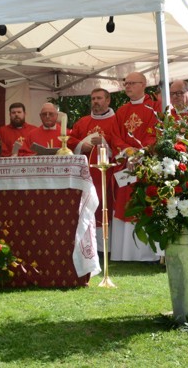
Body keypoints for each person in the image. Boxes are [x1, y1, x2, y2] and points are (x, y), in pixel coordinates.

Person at [111, 72, 162, 262]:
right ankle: (124, 253)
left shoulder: (154, 107)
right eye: (126, 83)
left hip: (146, 164)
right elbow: (115, 136)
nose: (128, 86)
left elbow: (156, 134)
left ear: (144, 84)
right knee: (125, 204)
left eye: (132, 83)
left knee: (144, 203)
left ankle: (146, 254)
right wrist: (128, 152)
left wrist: (140, 152)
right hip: (127, 164)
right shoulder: (121, 110)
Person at [67, 88, 120, 252]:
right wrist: (81, 144)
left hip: (108, 172)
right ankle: (90, 246)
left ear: (108, 100)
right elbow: (69, 139)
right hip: (86, 174)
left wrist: (104, 141)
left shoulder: (116, 120)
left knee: (105, 203)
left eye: (99, 98)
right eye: (93, 99)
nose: (95, 102)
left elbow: (121, 140)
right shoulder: (83, 122)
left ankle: (107, 247)